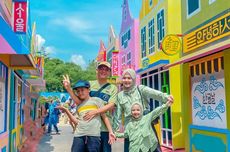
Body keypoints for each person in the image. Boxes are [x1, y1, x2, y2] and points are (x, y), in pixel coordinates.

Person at [113, 68, 174, 152]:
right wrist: (114, 131)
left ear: (133, 79)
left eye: (129, 78)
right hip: (130, 129)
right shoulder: (120, 95)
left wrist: (166, 97)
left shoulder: (140, 89)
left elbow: (154, 93)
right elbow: (117, 114)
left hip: (145, 127)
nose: (126, 80)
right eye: (124, 78)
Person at [63, 61, 118, 152]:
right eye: (101, 68)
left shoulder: (113, 88)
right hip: (89, 127)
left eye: (106, 69)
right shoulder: (89, 84)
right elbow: (80, 103)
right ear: (97, 70)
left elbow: (111, 105)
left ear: (109, 72)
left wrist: (95, 111)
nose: (103, 71)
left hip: (104, 128)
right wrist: (68, 88)